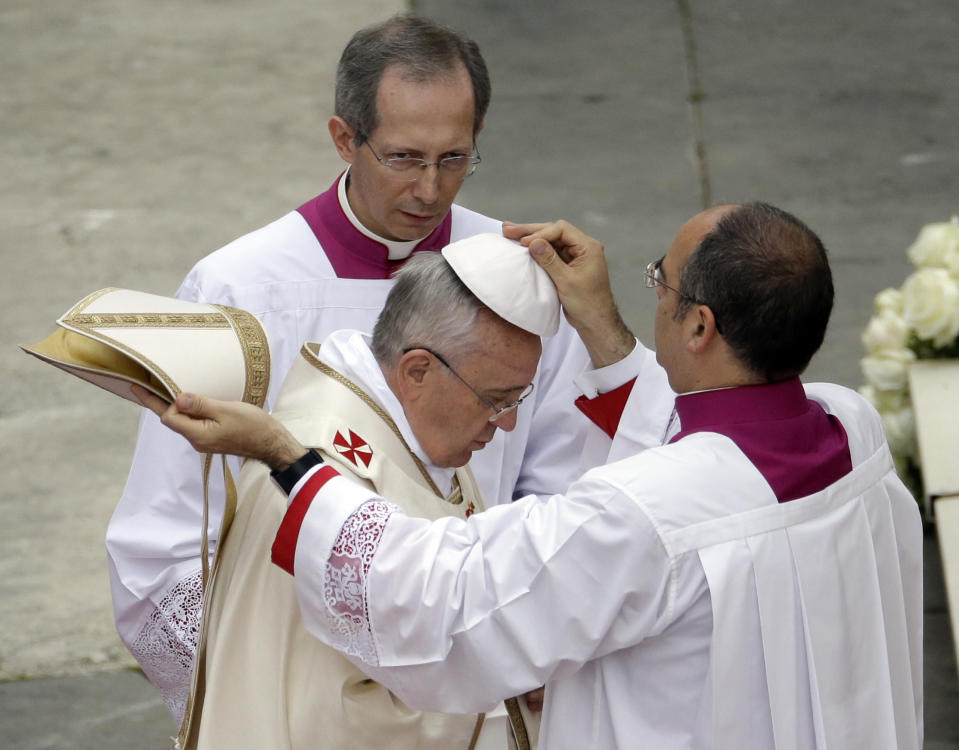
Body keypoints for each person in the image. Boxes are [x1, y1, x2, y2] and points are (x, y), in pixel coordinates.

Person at [150, 203, 923, 749]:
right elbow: (699, 445)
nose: (650, 290)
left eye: (661, 280)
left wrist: (288, 460)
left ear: (698, 327)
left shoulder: (641, 516)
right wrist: (606, 330)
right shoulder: (849, 431)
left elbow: (437, 606)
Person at [106, 13, 590, 723]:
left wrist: (522, 646)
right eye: (403, 158)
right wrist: (260, 686)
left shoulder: (517, 279)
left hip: (473, 682)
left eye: (454, 158)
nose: (430, 189)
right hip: (295, 693)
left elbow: (566, 491)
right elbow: (167, 537)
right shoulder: (240, 289)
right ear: (344, 138)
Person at [137, 237, 554, 749]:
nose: (508, 423)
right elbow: (327, 710)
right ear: (417, 370)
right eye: (496, 400)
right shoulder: (315, 473)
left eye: (517, 400)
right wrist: (509, 666)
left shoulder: (409, 430)